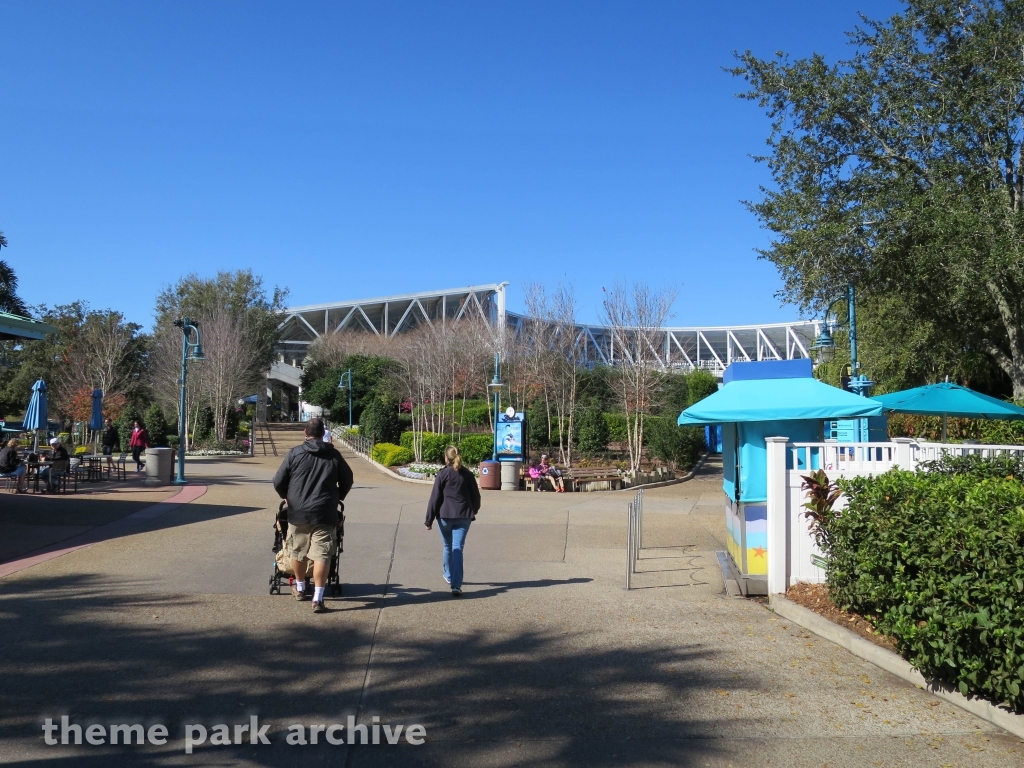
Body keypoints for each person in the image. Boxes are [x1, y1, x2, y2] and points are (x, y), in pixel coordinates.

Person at [272, 416, 353, 613]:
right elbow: (348, 479)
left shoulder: (295, 454)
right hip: (325, 511)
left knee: (297, 552)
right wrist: (337, 496)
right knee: (322, 554)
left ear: (305, 433)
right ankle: (317, 598)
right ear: (323, 432)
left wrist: (287, 497)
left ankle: (300, 587)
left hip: (298, 511)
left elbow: (278, 481)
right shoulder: (333, 455)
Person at [424, 445, 481, 596]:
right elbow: (476, 496)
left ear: (446, 458)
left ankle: (448, 575)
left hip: (445, 515)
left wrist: (429, 520)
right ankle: (456, 585)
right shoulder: (467, 475)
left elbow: (435, 498)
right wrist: (473, 510)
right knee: (458, 548)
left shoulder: (443, 474)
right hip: (463, 516)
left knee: (448, 547)